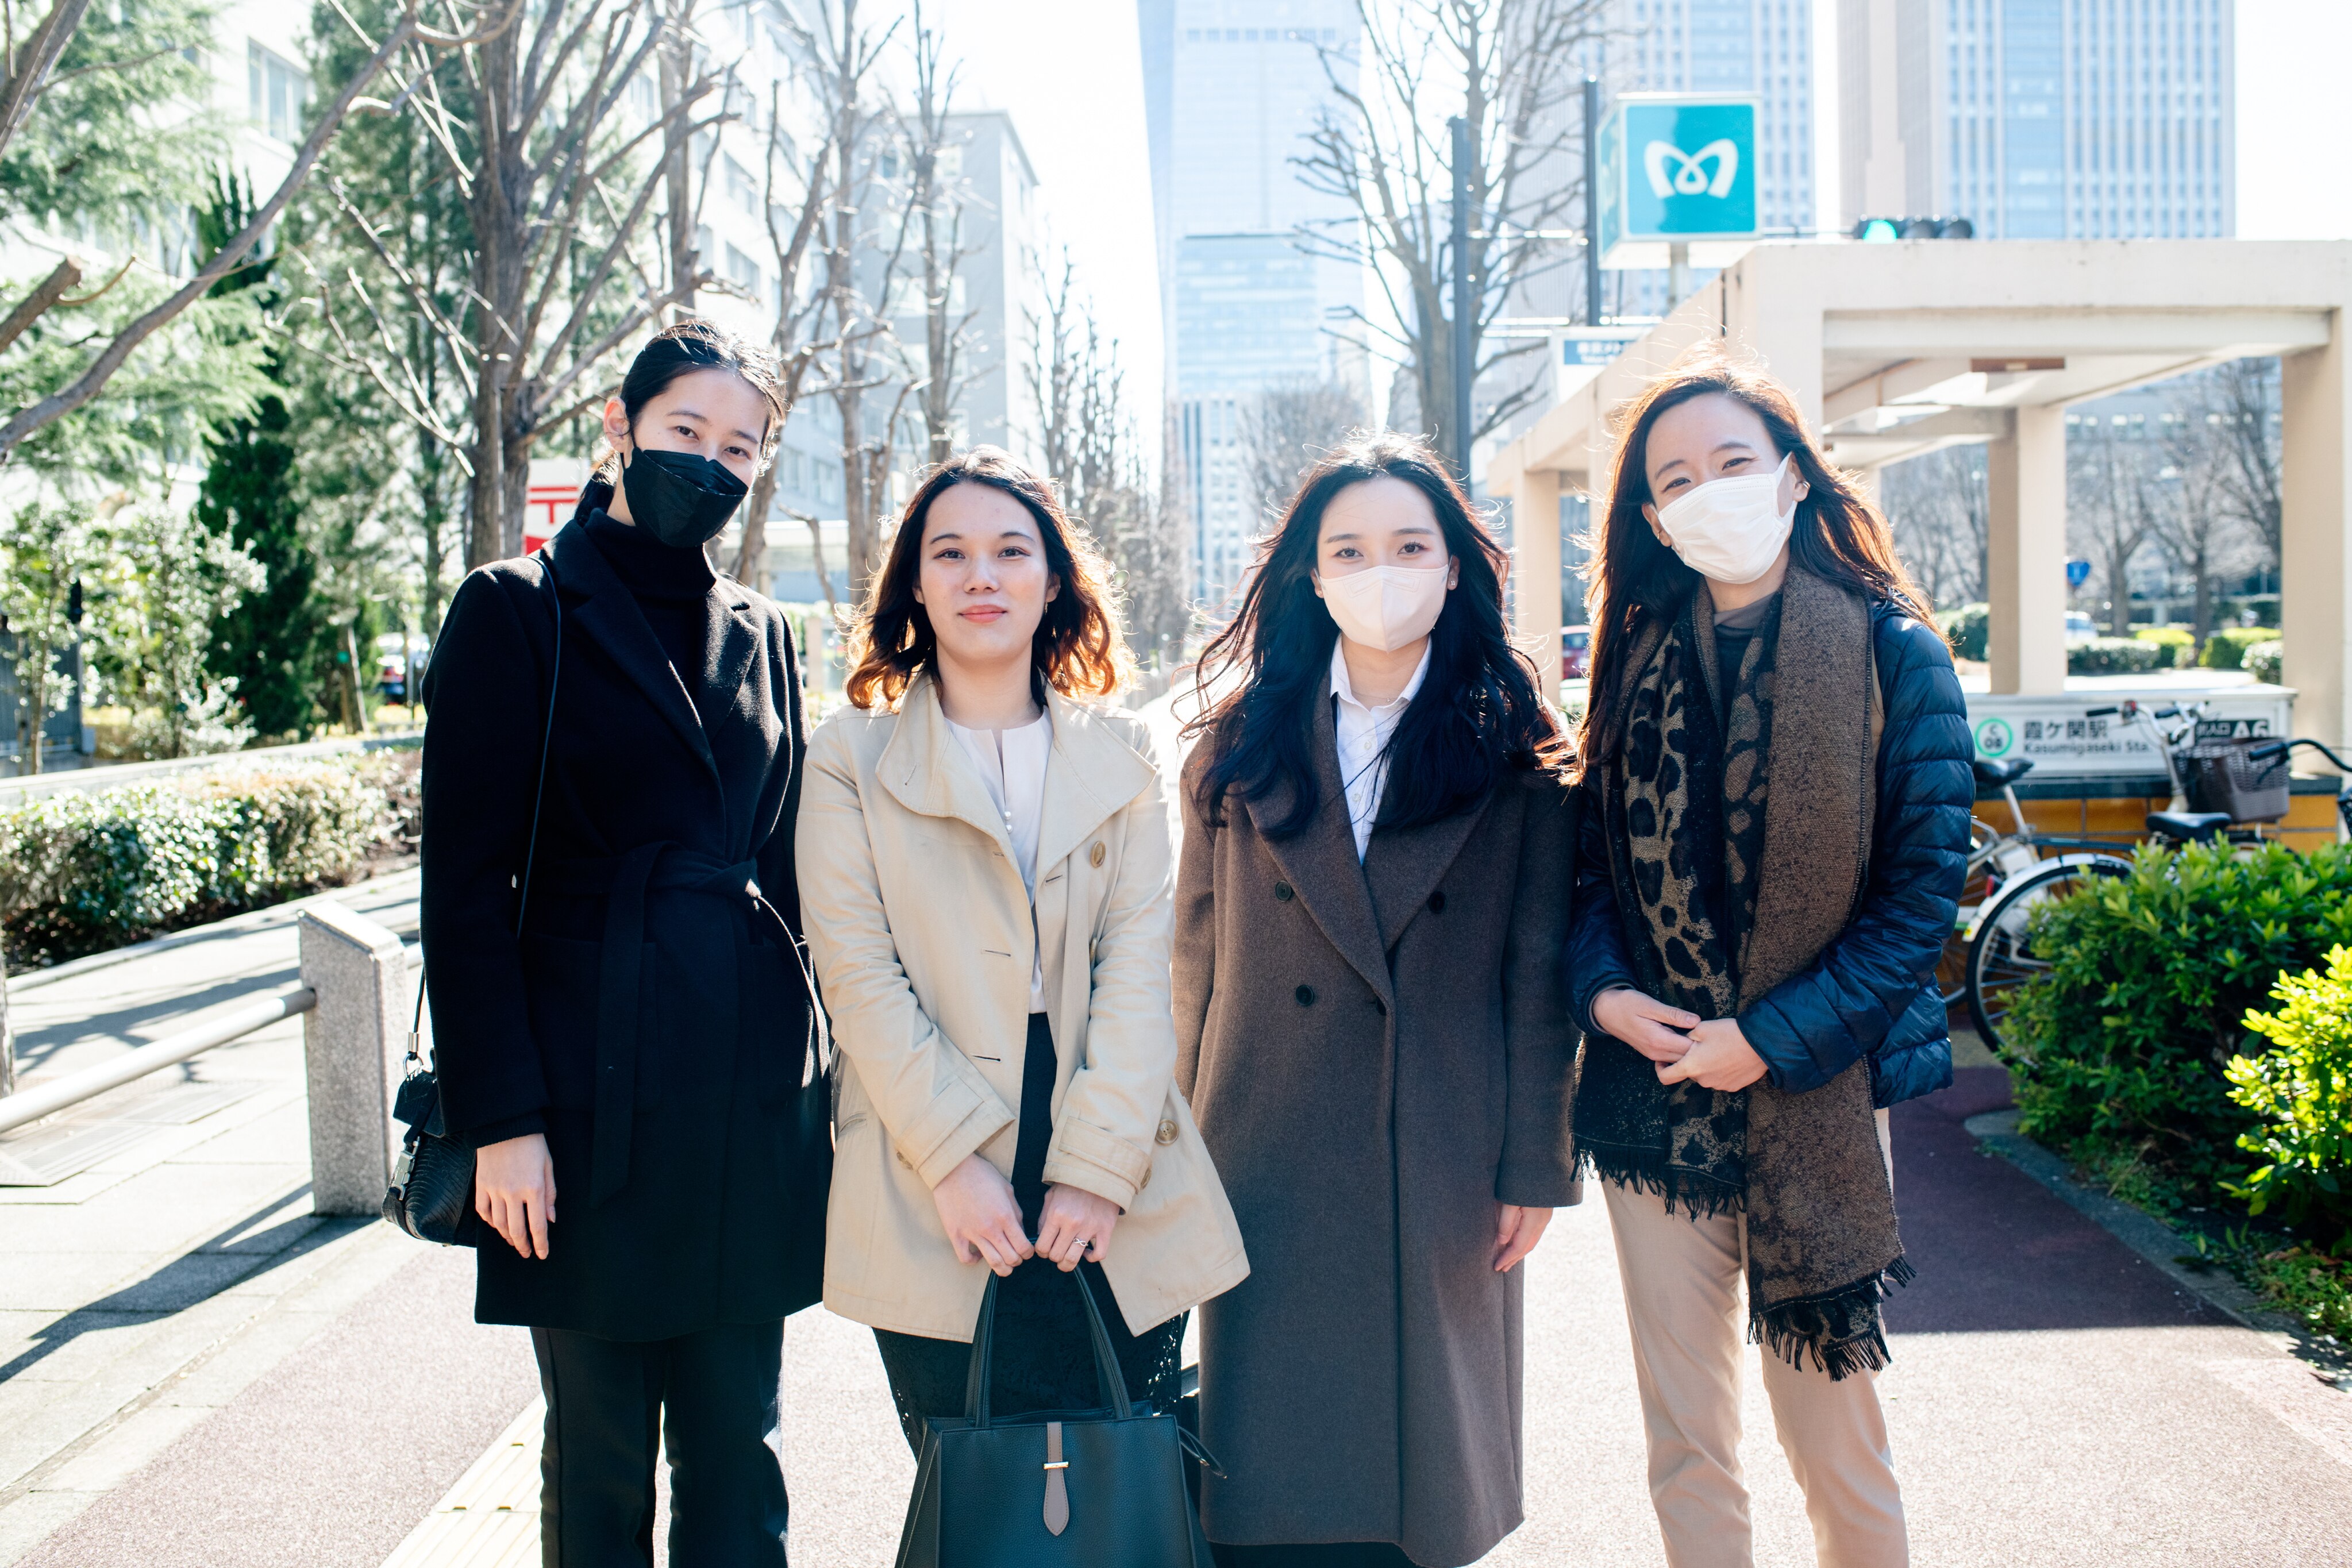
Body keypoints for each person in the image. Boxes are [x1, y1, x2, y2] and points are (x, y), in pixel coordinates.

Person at [420, 320, 822, 1567]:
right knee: (597, 1457)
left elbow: (791, 870)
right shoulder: (516, 610)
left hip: (746, 1103)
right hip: (582, 1103)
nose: (711, 462)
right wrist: (502, 1121)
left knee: (740, 1449)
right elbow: (463, 888)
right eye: (685, 432)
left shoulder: (766, 630)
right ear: (620, 424)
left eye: (740, 446)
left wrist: (819, 1090)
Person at [1566, 347, 1970, 1568]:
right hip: (1654, 1094)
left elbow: (1919, 901)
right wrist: (1603, 995)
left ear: (1794, 476)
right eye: (1675, 478)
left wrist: (1770, 1041)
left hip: (1816, 1087)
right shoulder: (1631, 659)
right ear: (1650, 517)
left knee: (1831, 1433)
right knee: (1685, 1439)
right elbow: (1581, 874)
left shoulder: (1895, 654)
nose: (1708, 492)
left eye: (1733, 462)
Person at [1174, 432, 1579, 1568]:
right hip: (1261, 1140)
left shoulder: (1518, 751)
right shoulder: (1240, 743)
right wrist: (1171, 1150)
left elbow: (1537, 977)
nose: (1379, 570)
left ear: (1455, 565)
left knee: (1420, 1498)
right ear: (1311, 572)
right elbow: (1192, 962)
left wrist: (1534, 1168)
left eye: (1409, 544)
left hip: (1441, 1146)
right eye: (1348, 548)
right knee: (1275, 1497)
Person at [796, 446, 1248, 1450]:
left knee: (1120, 1478)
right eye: (949, 553)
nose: (981, 576)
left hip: (1111, 1142)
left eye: (1010, 550)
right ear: (915, 583)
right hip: (929, 1155)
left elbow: (1143, 969)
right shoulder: (851, 756)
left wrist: (1096, 1166)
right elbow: (857, 975)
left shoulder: (1123, 750)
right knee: (972, 1488)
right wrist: (954, 1161)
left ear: (1053, 580)